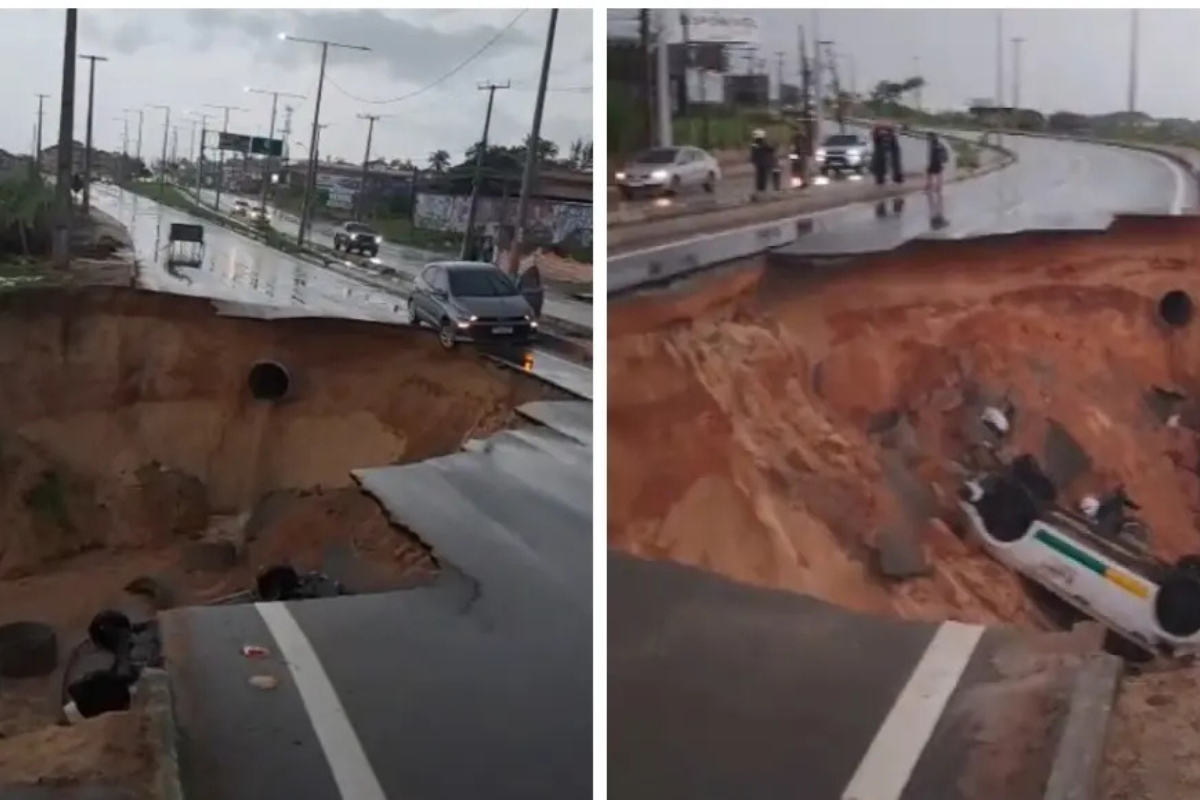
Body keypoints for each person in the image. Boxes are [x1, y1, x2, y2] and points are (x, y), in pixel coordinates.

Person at [749, 129, 775, 194]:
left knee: (759, 176)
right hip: (764, 162)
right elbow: (771, 149)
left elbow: (754, 152)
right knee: (763, 176)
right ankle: (762, 190)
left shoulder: (754, 144)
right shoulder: (763, 143)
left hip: (759, 162)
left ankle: (759, 189)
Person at [926, 132, 948, 197]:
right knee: (936, 174)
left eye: (929, 137)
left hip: (936, 161)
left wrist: (941, 161)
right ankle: (936, 188)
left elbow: (935, 153)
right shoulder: (935, 143)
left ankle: (933, 188)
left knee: (932, 174)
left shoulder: (935, 144)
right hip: (936, 161)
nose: (928, 138)